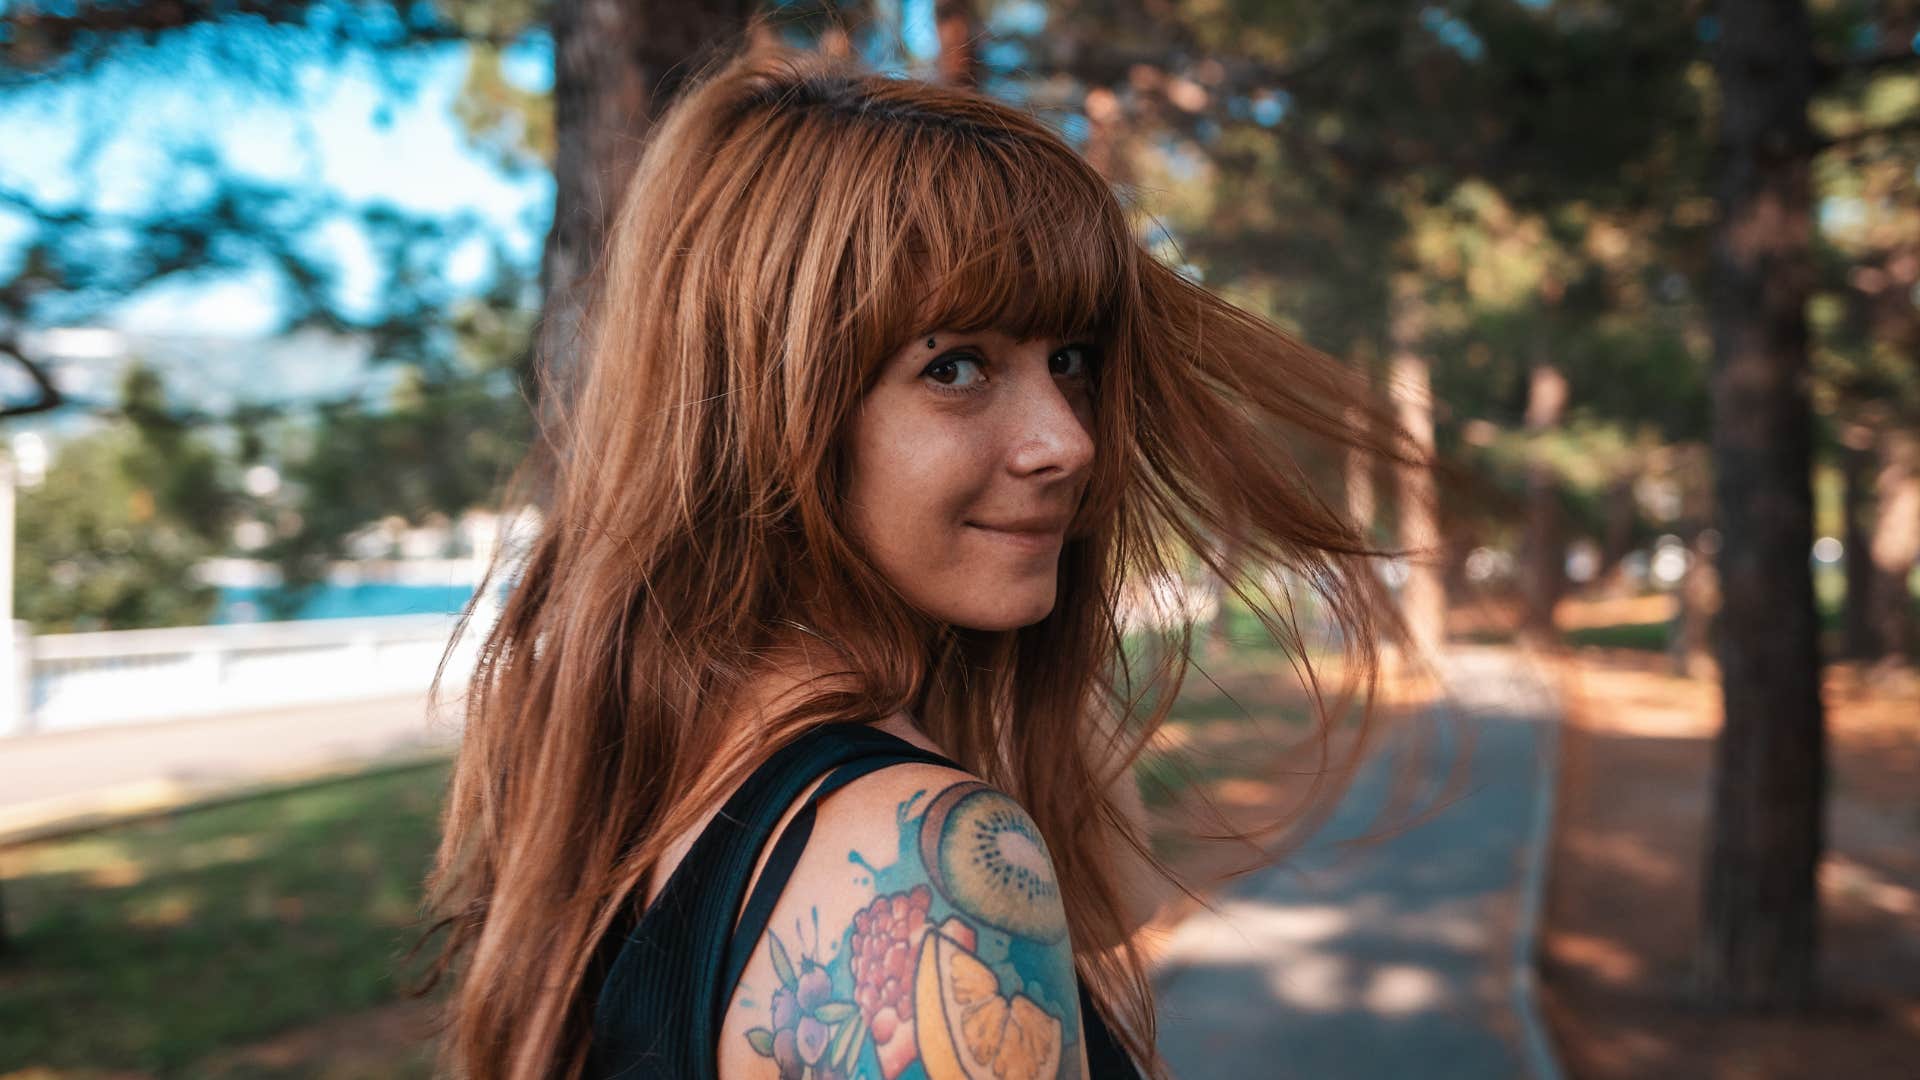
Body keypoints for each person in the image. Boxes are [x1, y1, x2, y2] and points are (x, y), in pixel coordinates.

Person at [410, 32, 1418, 1080]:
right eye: (957, 366)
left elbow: (1118, 896)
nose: (1068, 440)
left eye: (1068, 359)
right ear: (770, 409)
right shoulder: (916, 863)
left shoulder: (652, 757)